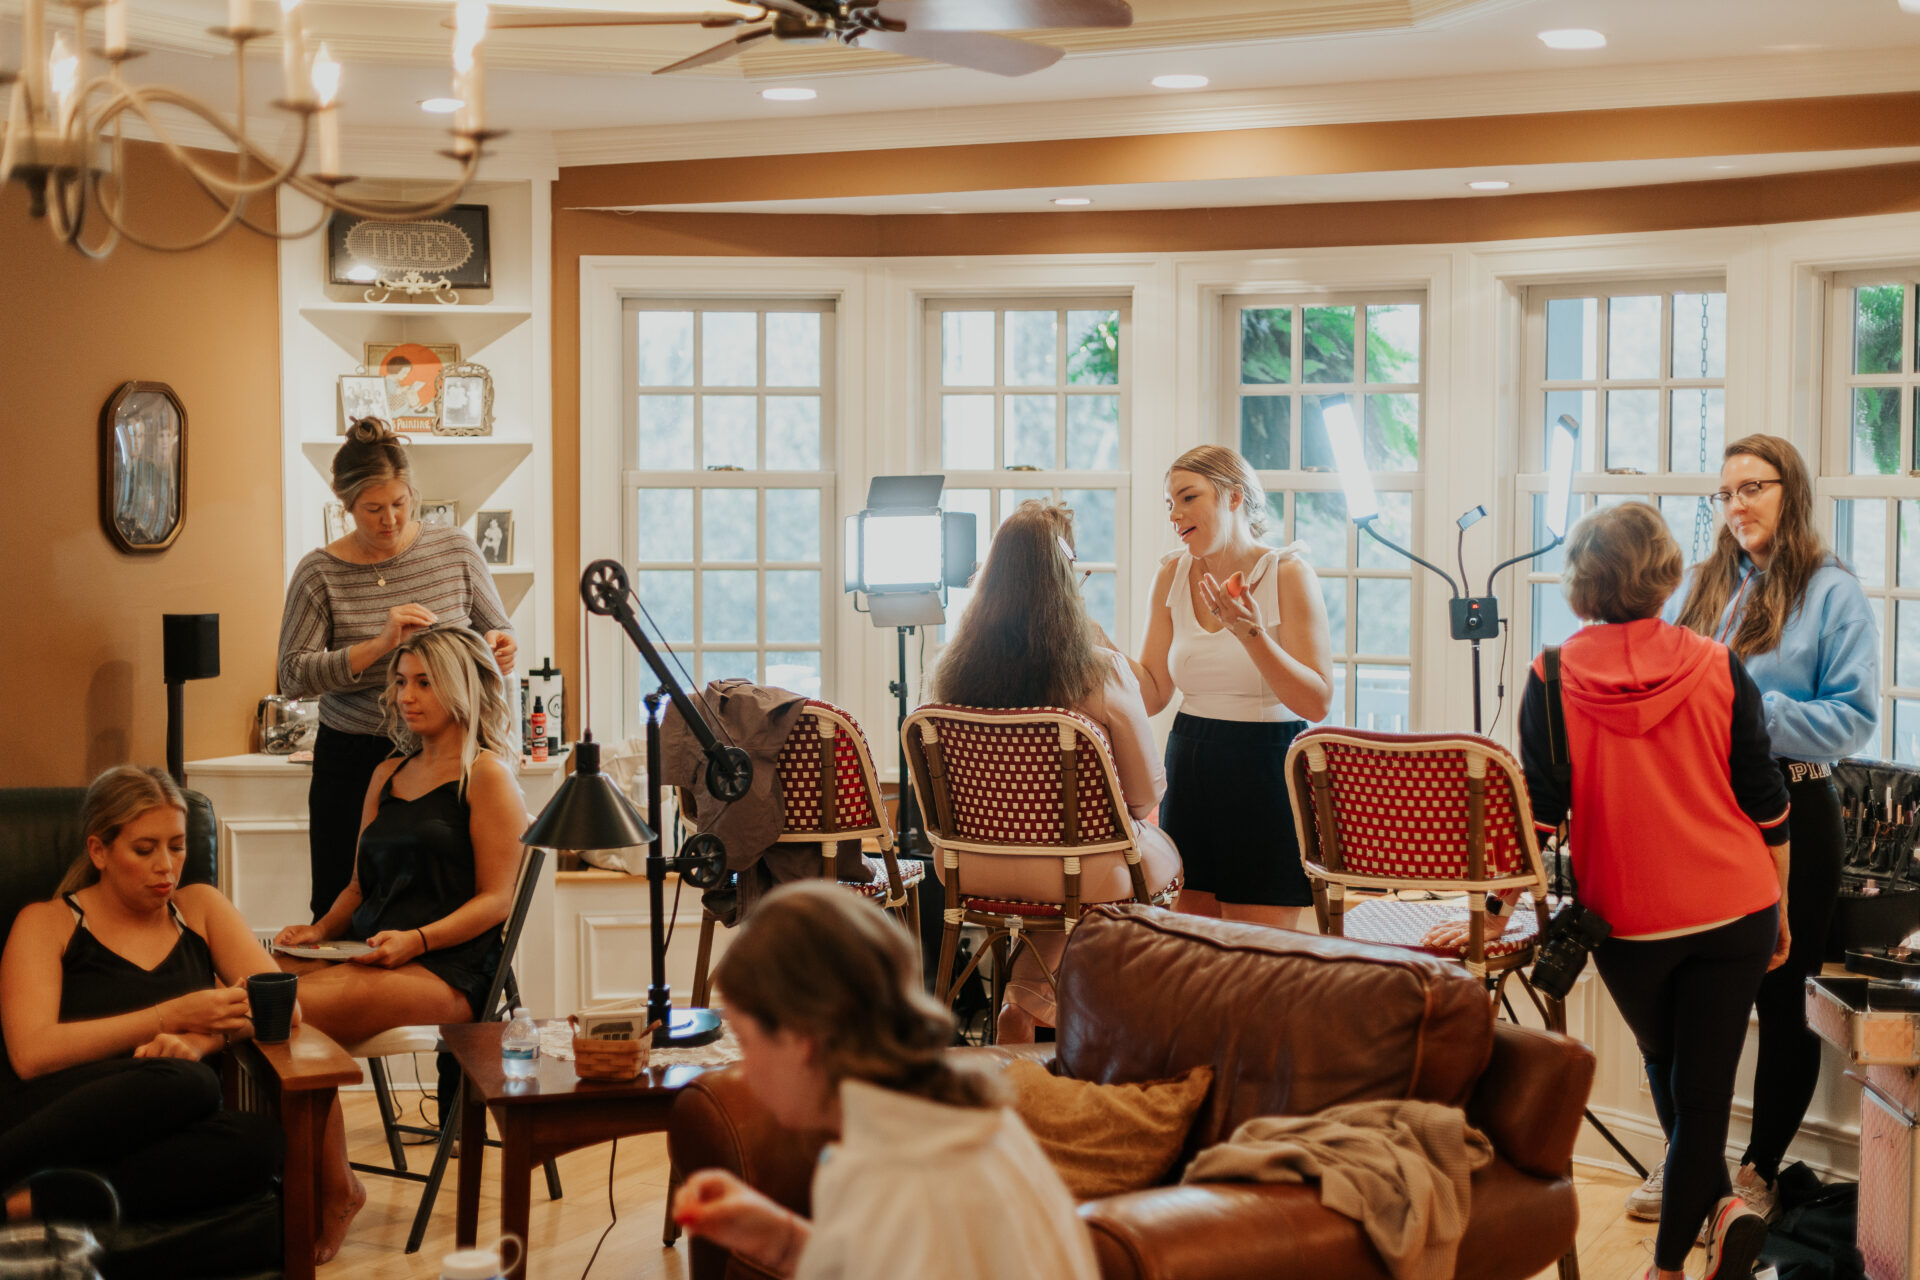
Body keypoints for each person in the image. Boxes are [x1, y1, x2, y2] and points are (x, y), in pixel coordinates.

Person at [1434, 502, 1791, 1280]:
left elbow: (1542, 816)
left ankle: (1666, 1269)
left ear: (1580, 583)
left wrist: (1491, 903)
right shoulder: (1717, 664)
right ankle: (1724, 1210)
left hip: (1628, 920)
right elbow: (1766, 802)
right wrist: (1783, 905)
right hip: (1737, 905)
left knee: (1671, 1071)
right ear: (1666, 575)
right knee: (1693, 1090)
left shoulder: (1552, 675)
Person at [672, 880, 1099, 1280]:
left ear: (802, 1039)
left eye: (747, 1043)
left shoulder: (892, 1175)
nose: (745, 1072)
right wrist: (777, 1236)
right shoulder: (962, 1122)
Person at [1663, 434, 1879, 1221]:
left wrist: (1745, 708)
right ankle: (1689, 1161)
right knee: (1692, 996)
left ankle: (1756, 1171)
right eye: (1724, 494)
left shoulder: (1832, 593)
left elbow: (1853, 721)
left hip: (1796, 810)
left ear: (1792, 491)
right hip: (1698, 815)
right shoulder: (1703, 586)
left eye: (1752, 487)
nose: (1736, 506)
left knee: (1783, 1000)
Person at [273, 624, 529, 1262]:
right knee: (260, 984)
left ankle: (331, 1191)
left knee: (283, 1013)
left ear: (458, 687)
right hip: (373, 953)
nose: (405, 695)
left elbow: (497, 902)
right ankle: (298, 1181)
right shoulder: (388, 772)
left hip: (451, 970)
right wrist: (319, 933)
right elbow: (359, 886)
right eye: (401, 681)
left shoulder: (487, 777)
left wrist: (416, 940)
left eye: (422, 682)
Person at [928, 500, 1182, 1042]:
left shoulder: (951, 674)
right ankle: (1109, 1027)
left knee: (1066, 884)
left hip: (969, 868)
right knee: (1122, 861)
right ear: (1067, 581)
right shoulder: (1100, 668)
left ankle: (1025, 1000)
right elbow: (1142, 798)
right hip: (1079, 871)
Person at [0, 766, 284, 1231]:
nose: (167, 866)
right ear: (99, 850)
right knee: (191, 1083)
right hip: (52, 1109)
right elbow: (32, 1055)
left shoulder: (200, 908)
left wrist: (201, 1042)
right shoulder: (47, 921)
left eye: (177, 845)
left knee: (260, 1142)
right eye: (144, 849)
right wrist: (170, 1016)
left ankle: (25, 1204)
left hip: (165, 1120)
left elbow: (279, 1005)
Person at [278, 417, 517, 923]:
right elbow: (293, 675)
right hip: (355, 757)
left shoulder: (455, 549)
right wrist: (379, 645)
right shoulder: (319, 572)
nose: (389, 519)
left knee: (449, 897)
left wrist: (501, 644)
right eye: (373, 509)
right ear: (346, 505)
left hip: (448, 753)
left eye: (400, 504)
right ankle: (344, 993)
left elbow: (498, 630)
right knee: (343, 897)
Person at [1129, 446, 1332, 931]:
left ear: (1234, 497)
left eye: (1187, 497)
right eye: (1169, 503)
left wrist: (1252, 636)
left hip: (1266, 766)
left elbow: (1317, 702)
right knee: (1195, 951)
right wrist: (1098, 651)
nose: (1175, 515)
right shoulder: (1170, 575)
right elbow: (1154, 693)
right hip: (1189, 758)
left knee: (1259, 956)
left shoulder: (1287, 574)